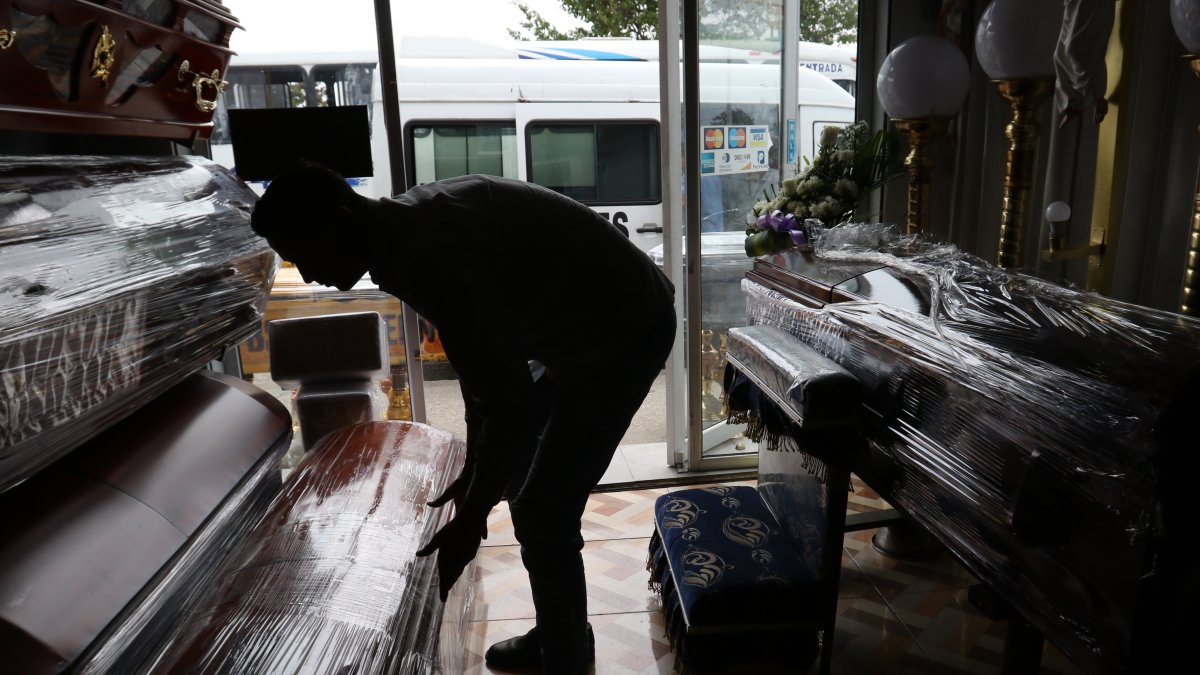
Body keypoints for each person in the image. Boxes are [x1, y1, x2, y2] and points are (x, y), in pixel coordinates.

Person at [250, 160, 677, 673]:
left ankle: (567, 654)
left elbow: (510, 402)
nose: (312, 273)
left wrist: (470, 521)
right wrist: (475, 470)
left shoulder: (425, 253)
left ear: (340, 221)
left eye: (304, 254)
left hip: (624, 331)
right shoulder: (398, 233)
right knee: (522, 484)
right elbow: (484, 377)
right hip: (580, 326)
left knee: (542, 511)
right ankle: (560, 630)